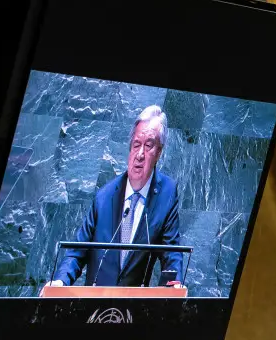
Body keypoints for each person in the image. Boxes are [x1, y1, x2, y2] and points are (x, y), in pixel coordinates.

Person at [43, 105, 184, 292]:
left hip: (132, 310)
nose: (140, 155)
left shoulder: (166, 193)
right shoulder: (105, 196)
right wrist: (60, 282)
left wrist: (175, 284)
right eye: (136, 145)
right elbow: (77, 251)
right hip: (94, 305)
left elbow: (171, 252)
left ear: (159, 152)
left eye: (148, 146)